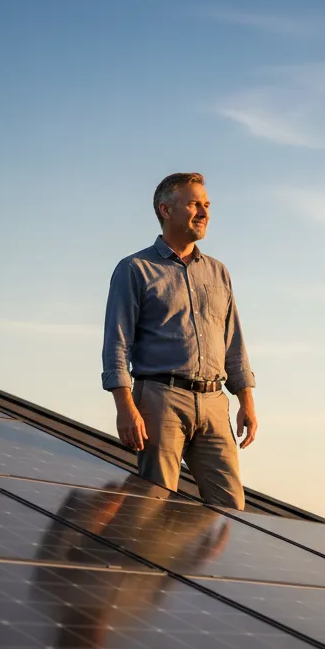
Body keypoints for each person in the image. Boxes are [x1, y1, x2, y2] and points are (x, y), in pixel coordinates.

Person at [101, 172, 257, 509]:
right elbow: (117, 344)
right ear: (166, 210)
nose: (204, 212)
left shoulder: (218, 272)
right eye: (193, 204)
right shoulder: (135, 269)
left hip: (215, 403)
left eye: (206, 204)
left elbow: (233, 342)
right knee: (153, 505)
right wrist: (125, 408)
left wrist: (246, 400)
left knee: (233, 511)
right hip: (160, 399)